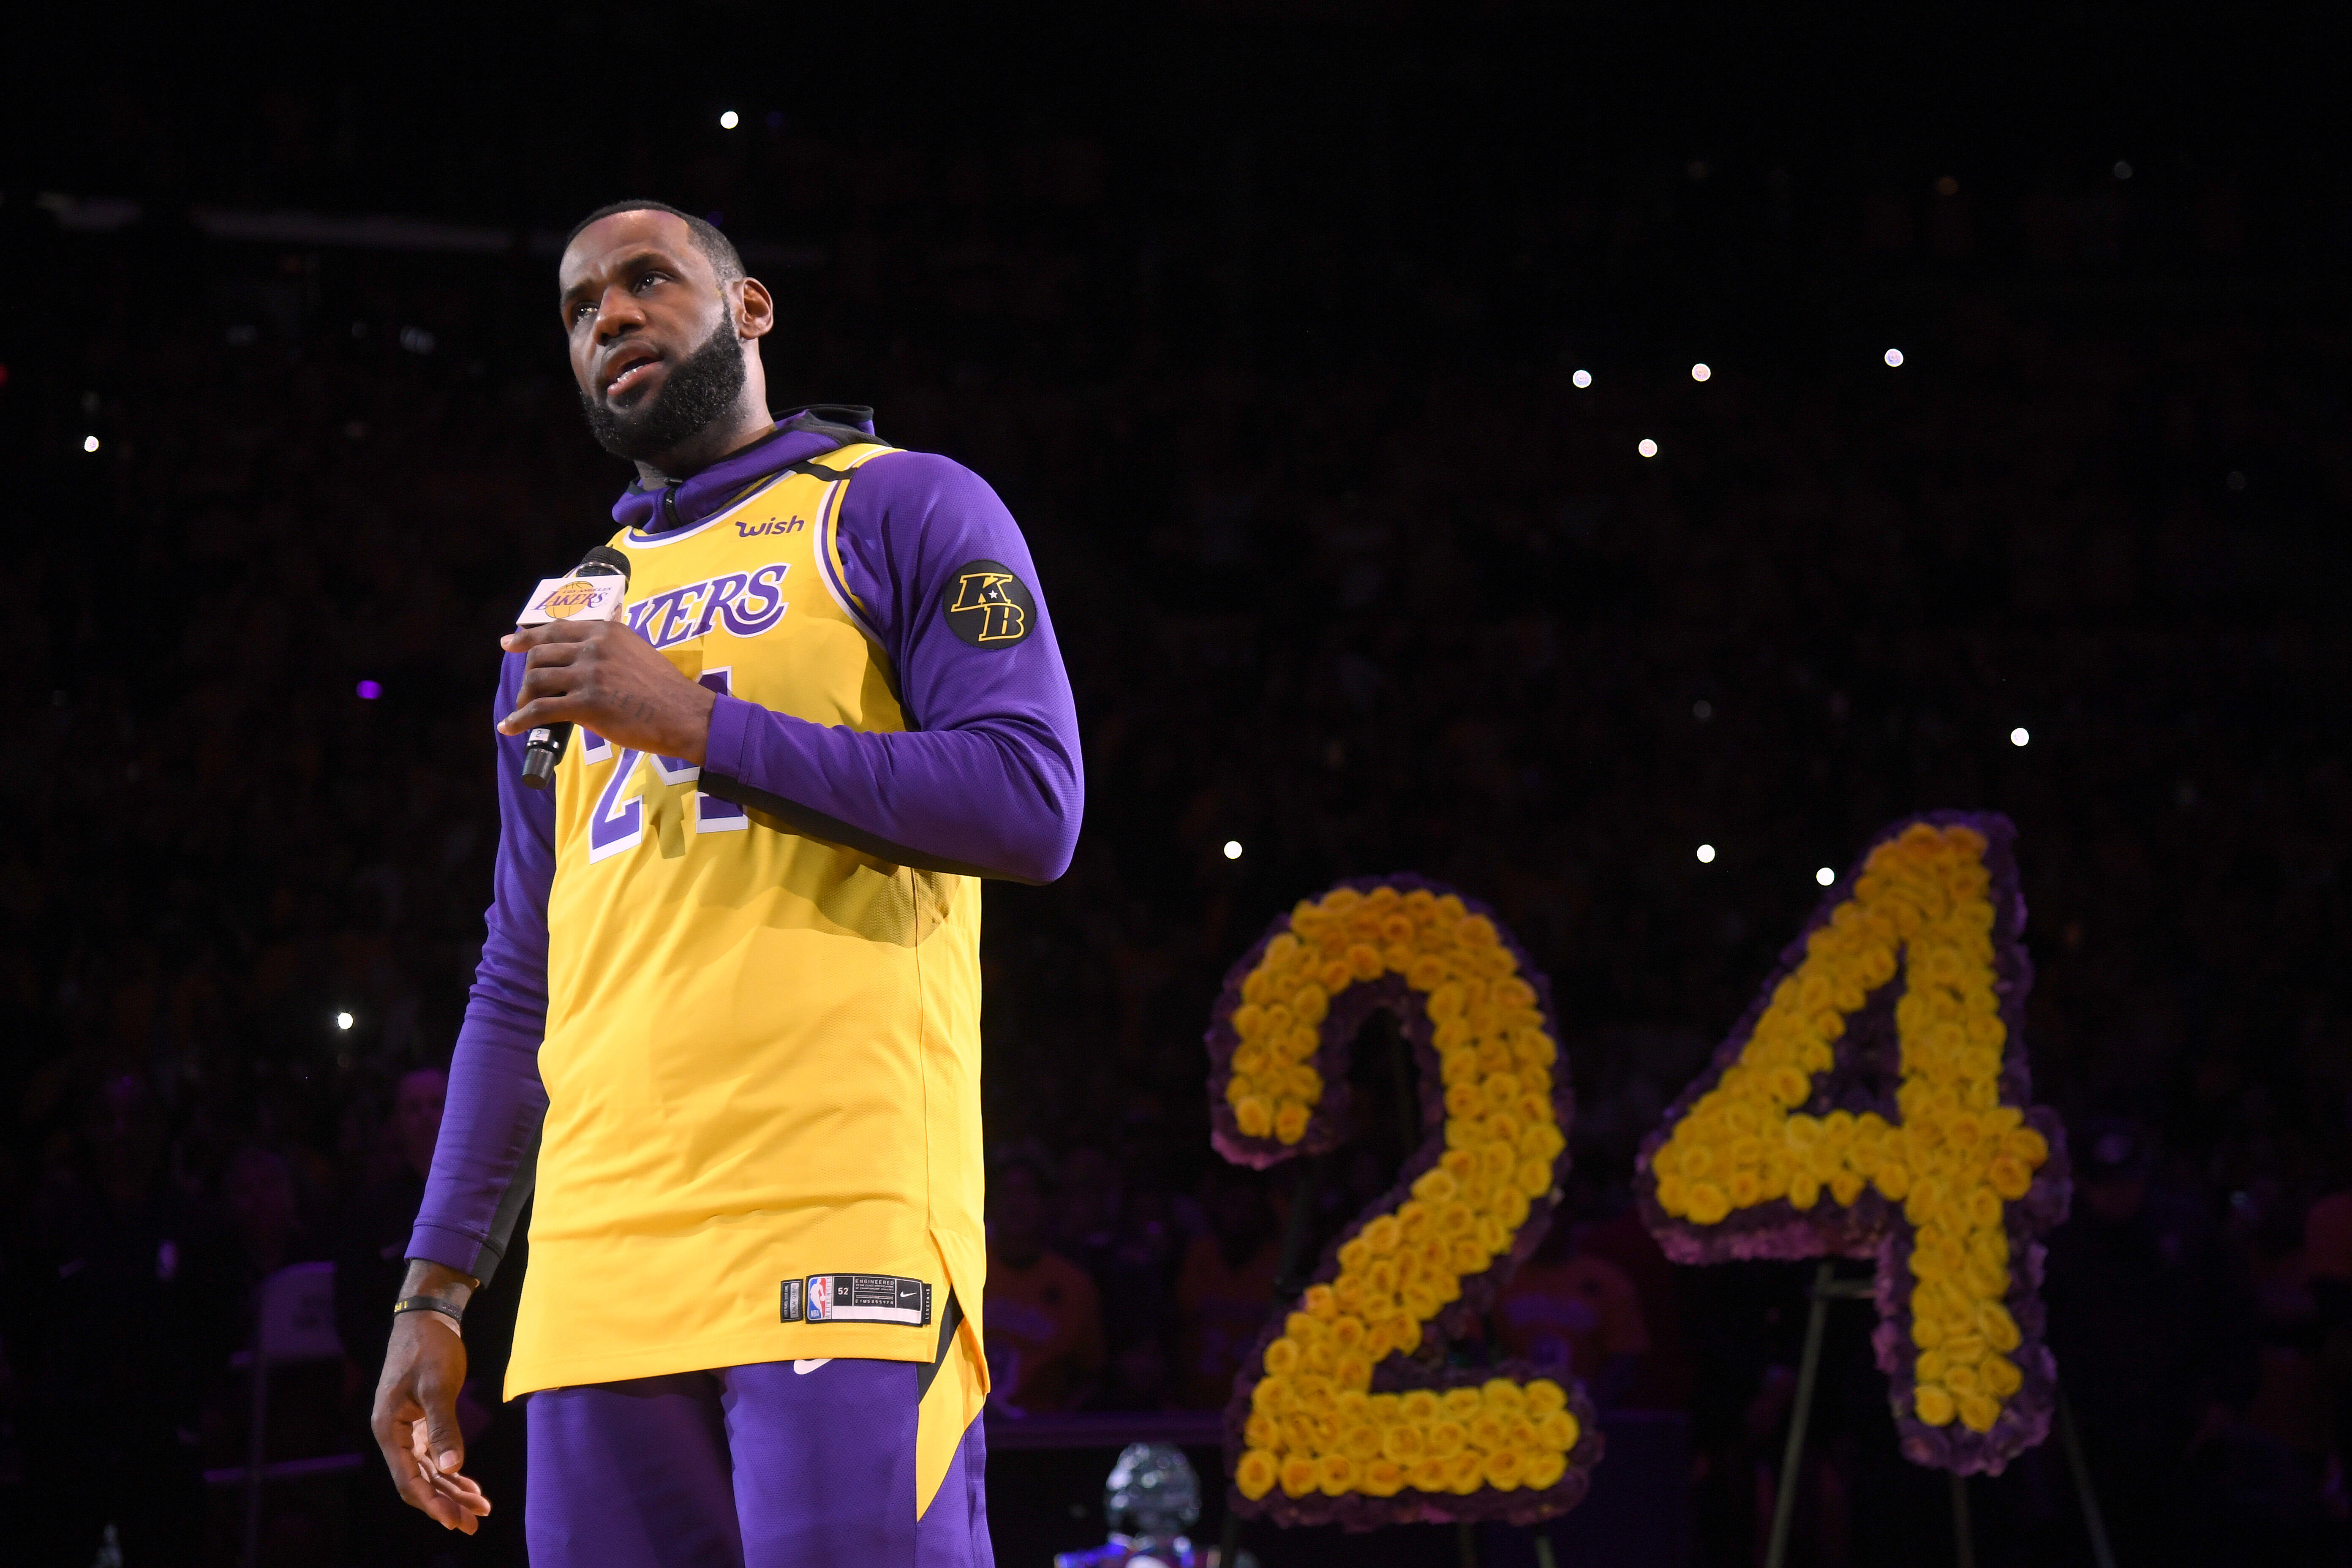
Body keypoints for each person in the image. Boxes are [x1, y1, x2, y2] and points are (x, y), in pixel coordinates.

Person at [369, 200, 1083, 1565]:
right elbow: (521, 970)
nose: (611, 319)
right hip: (595, 1270)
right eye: (580, 309)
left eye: (647, 282)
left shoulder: (897, 503)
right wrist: (438, 1288)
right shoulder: (560, 621)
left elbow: (1030, 802)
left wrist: (696, 726)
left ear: (751, 309)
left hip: (835, 1215)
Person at [982, 1157, 1105, 1414]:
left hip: (1040, 1435)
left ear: (1044, 1205)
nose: (1015, 1204)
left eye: (1025, 1193)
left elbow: (1092, 1375)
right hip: (969, 1430)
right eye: (1006, 1192)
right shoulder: (967, 1270)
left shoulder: (1073, 1285)